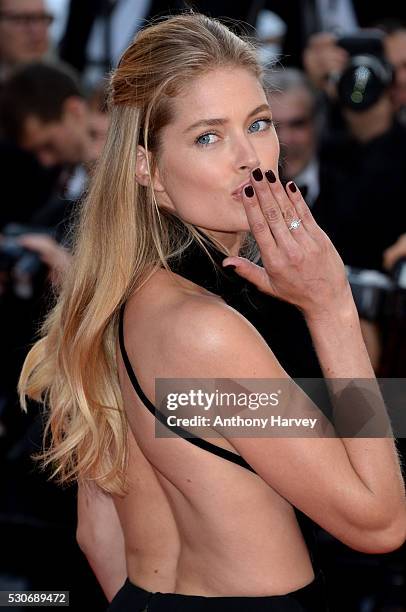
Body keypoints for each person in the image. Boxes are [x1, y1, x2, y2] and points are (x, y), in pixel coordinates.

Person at [18, 13, 406, 612]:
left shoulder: (108, 309)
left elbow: (98, 537)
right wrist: (332, 308)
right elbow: (379, 523)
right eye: (208, 136)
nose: (250, 158)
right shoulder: (204, 330)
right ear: (147, 169)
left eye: (258, 123)